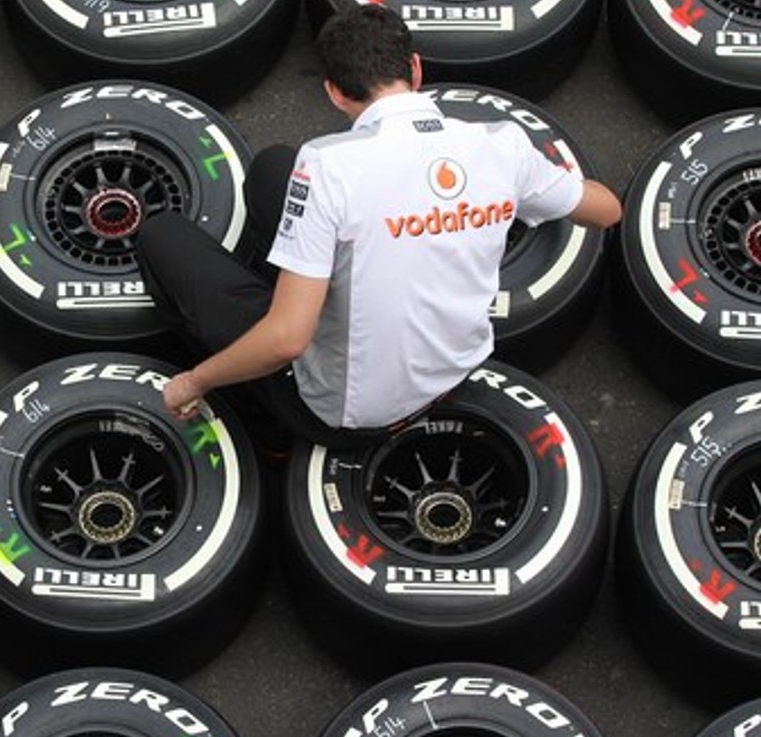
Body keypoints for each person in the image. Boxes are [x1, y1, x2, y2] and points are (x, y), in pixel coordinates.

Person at [137, 3, 622, 447]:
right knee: (271, 170)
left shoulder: (327, 166)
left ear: (334, 93)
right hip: (454, 374)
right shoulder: (503, 145)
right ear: (416, 69)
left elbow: (287, 339)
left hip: (342, 414)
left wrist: (194, 380)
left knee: (161, 235)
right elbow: (607, 211)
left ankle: (260, 426)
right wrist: (488, 203)